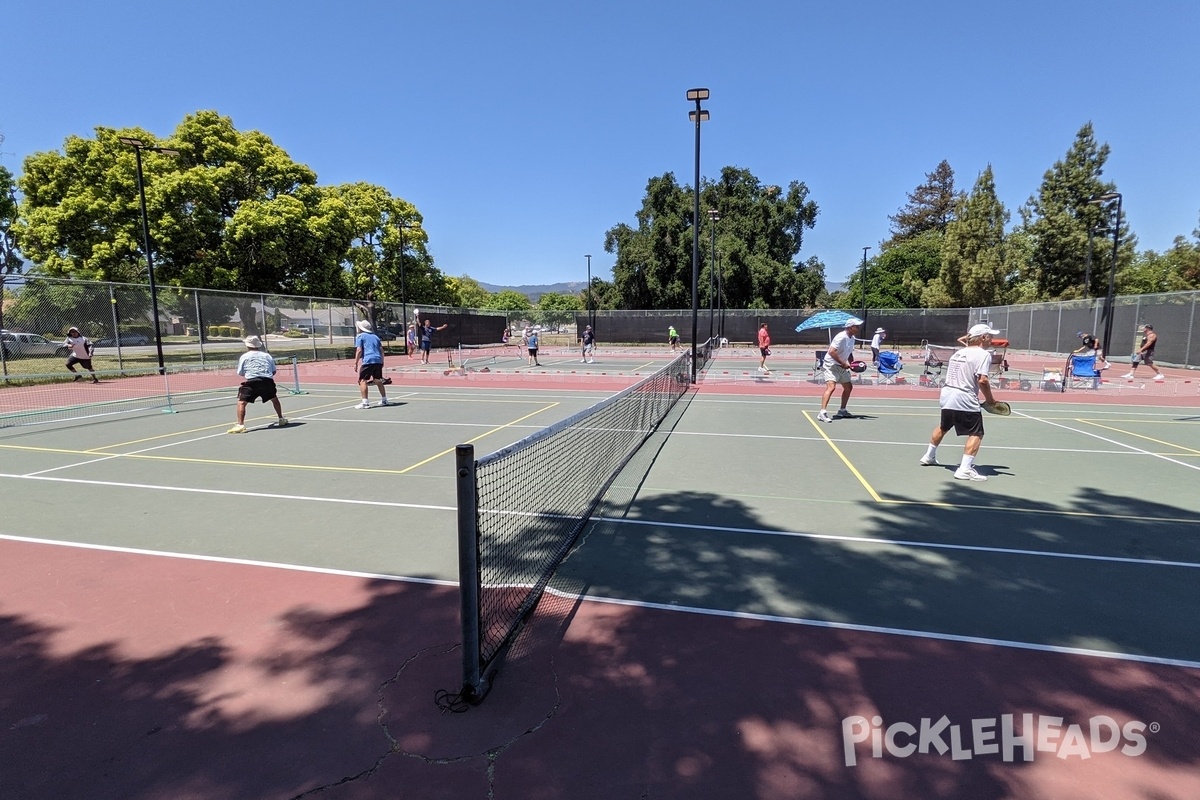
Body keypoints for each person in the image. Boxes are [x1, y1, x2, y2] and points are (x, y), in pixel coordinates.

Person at [919, 323, 1001, 482]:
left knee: (944, 426)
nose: (992, 338)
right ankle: (964, 469)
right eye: (990, 335)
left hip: (948, 394)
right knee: (977, 433)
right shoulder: (984, 355)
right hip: (965, 397)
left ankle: (928, 456)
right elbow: (983, 380)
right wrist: (990, 400)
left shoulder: (958, 353)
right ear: (983, 337)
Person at [228, 336, 287, 433]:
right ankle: (281, 419)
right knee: (274, 399)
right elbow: (273, 371)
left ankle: (240, 425)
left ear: (247, 345)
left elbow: (240, 372)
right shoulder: (267, 356)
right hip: (267, 381)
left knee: (241, 402)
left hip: (252, 382)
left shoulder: (244, 356)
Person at [817, 318, 862, 422]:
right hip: (831, 365)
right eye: (856, 326)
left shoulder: (852, 338)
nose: (858, 328)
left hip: (841, 366)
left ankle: (842, 410)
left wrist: (852, 364)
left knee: (848, 387)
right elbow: (832, 352)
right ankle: (822, 413)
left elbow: (849, 352)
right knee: (831, 387)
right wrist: (843, 363)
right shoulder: (841, 337)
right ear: (850, 327)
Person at [353, 320, 390, 409]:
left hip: (368, 361)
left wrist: (355, 363)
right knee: (378, 380)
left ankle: (365, 402)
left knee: (362, 380)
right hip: (377, 360)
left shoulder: (360, 336)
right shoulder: (375, 337)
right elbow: (381, 350)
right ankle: (384, 399)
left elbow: (359, 350)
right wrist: (382, 361)